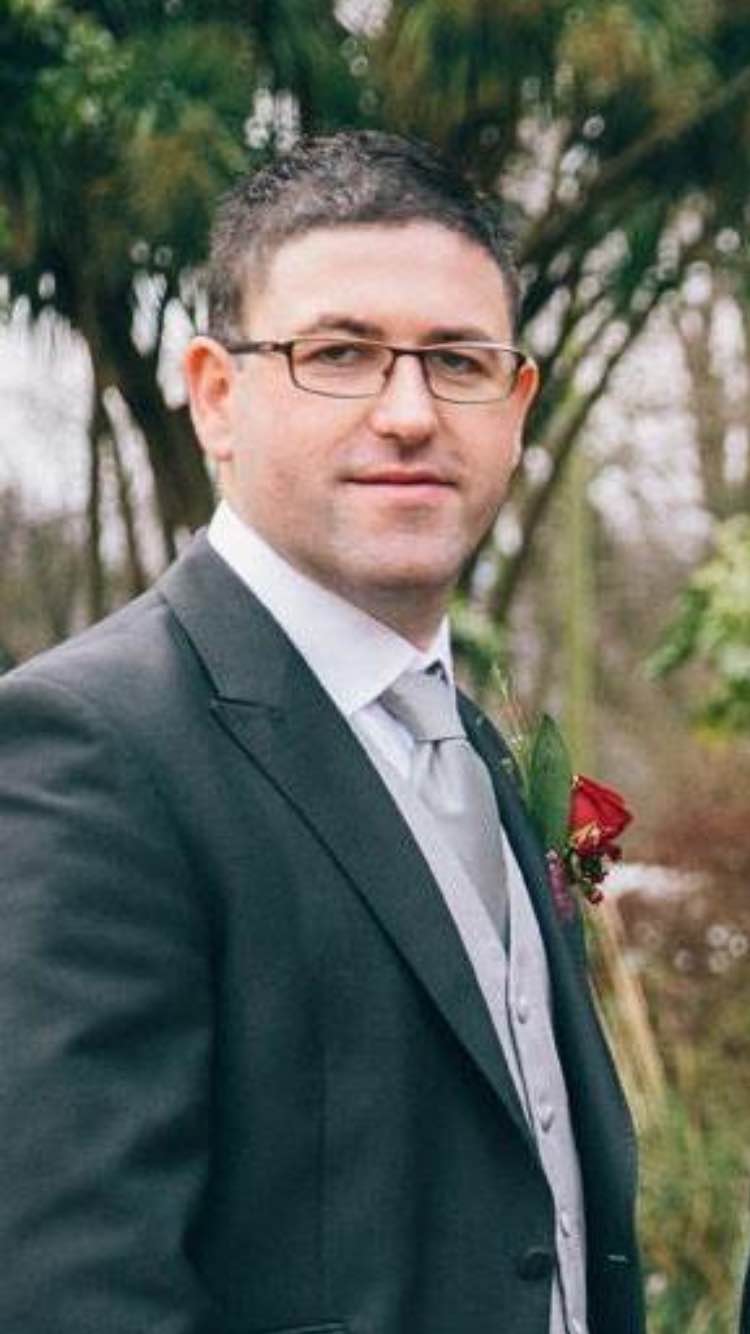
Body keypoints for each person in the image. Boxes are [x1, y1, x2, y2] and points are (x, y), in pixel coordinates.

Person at [0, 131, 645, 1334]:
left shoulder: (475, 746)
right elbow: (70, 1290)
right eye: (339, 353)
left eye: (457, 360)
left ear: (515, 406)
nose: (409, 413)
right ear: (217, 396)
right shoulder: (86, 751)